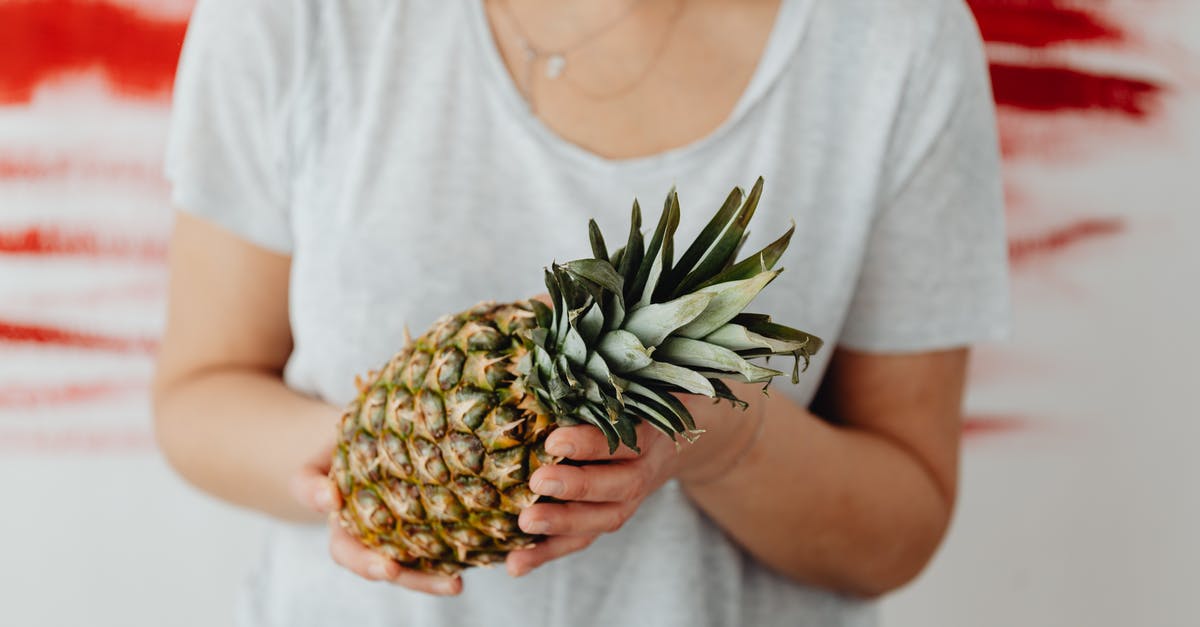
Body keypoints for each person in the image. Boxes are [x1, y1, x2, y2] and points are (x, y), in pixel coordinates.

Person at [152, 0, 1009, 625]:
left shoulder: (897, 42)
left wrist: (720, 435)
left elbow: (902, 522)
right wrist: (369, 472)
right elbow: (200, 388)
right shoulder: (297, 16)